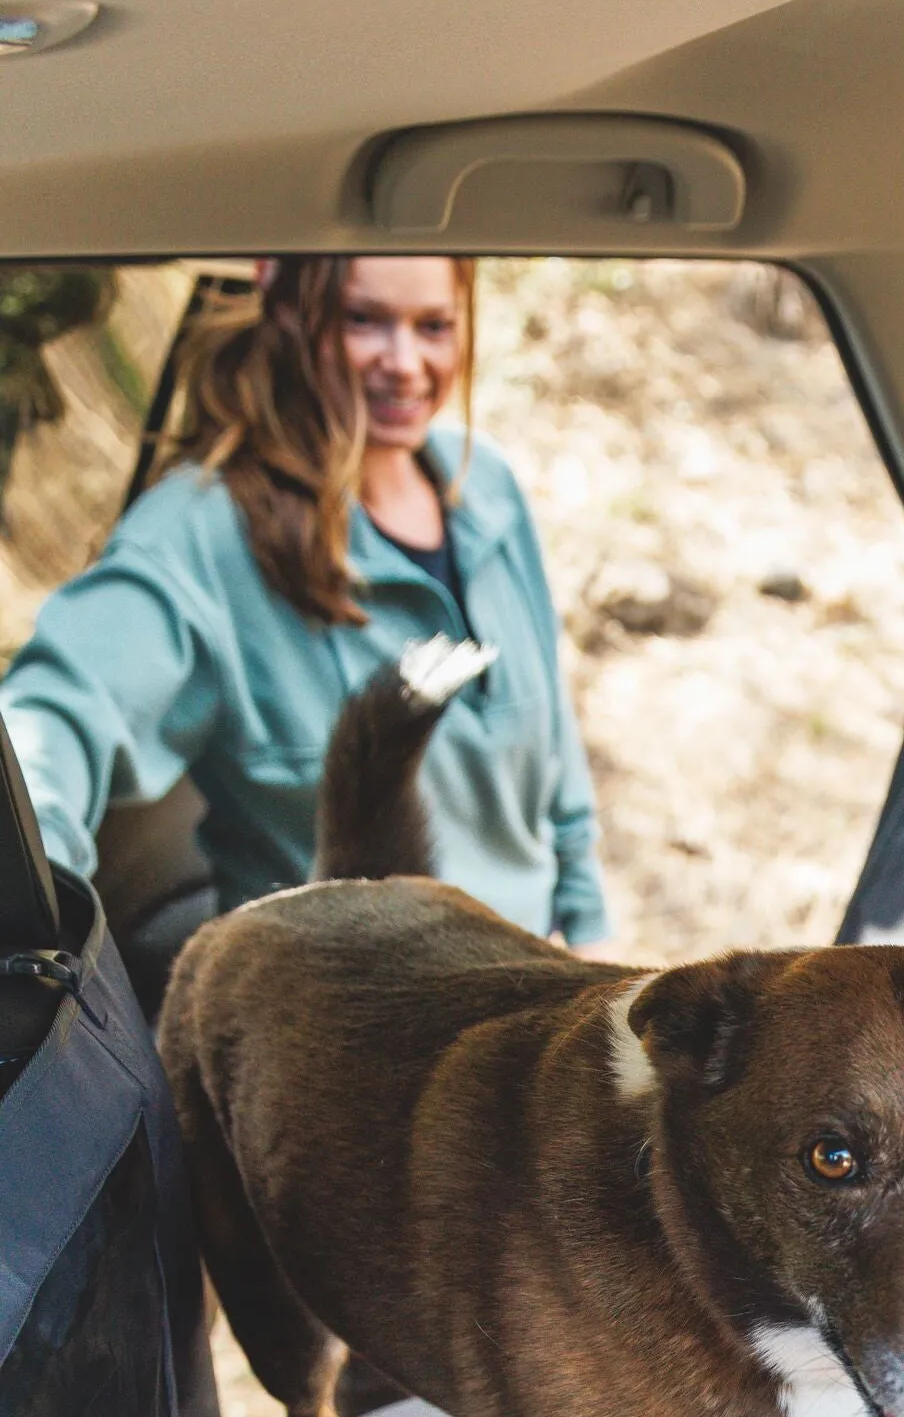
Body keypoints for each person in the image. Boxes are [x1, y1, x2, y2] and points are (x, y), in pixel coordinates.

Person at [0, 255, 608, 957]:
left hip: (527, 992)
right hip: (337, 1029)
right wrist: (34, 945)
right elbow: (49, 724)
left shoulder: (489, 488)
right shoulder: (201, 535)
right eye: (363, 320)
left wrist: (589, 931)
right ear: (288, 312)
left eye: (433, 326)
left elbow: (557, 747)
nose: (405, 362)